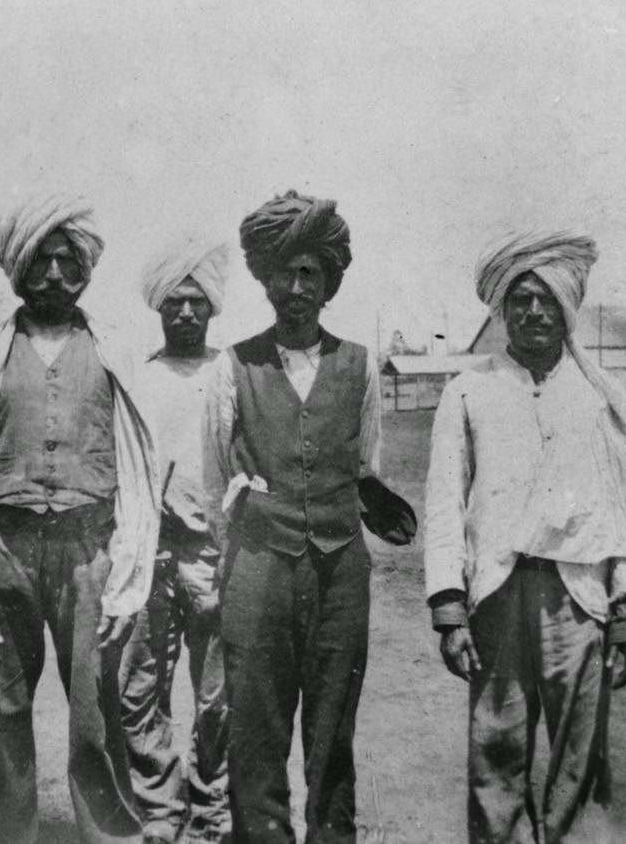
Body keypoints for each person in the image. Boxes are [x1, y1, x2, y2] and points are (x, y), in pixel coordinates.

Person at [424, 233, 626, 844]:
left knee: (578, 759)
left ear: (567, 310)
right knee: (494, 754)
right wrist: (449, 610)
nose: (534, 311)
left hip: (579, 601)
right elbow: (445, 506)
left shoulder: (600, 396)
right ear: (501, 310)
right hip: (497, 599)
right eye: (520, 299)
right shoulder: (467, 392)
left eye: (547, 300)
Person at [204, 190, 415, 843]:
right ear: (264, 277)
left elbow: (364, 464)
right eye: (284, 272)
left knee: (332, 732)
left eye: (310, 274)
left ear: (329, 282)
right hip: (258, 572)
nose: (295, 287)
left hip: (339, 576)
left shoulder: (358, 366)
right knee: (257, 733)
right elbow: (216, 480)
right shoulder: (233, 364)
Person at [0, 192, 160, 844]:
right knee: (1, 704)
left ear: (86, 270)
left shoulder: (113, 346)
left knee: (98, 712)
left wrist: (130, 560)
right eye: (39, 262)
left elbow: (140, 464)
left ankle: (107, 835)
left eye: (68, 263)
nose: (53, 277)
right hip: (6, 544)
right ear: (18, 269)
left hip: (89, 545)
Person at [120, 236, 232, 844]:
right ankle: (160, 807)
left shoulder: (232, 372)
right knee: (142, 688)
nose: (185, 313)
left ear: (212, 308)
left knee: (218, 694)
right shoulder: (136, 379)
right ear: (159, 309)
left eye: (196, 303)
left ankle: (212, 807)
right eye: (173, 304)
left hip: (214, 554)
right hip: (149, 554)